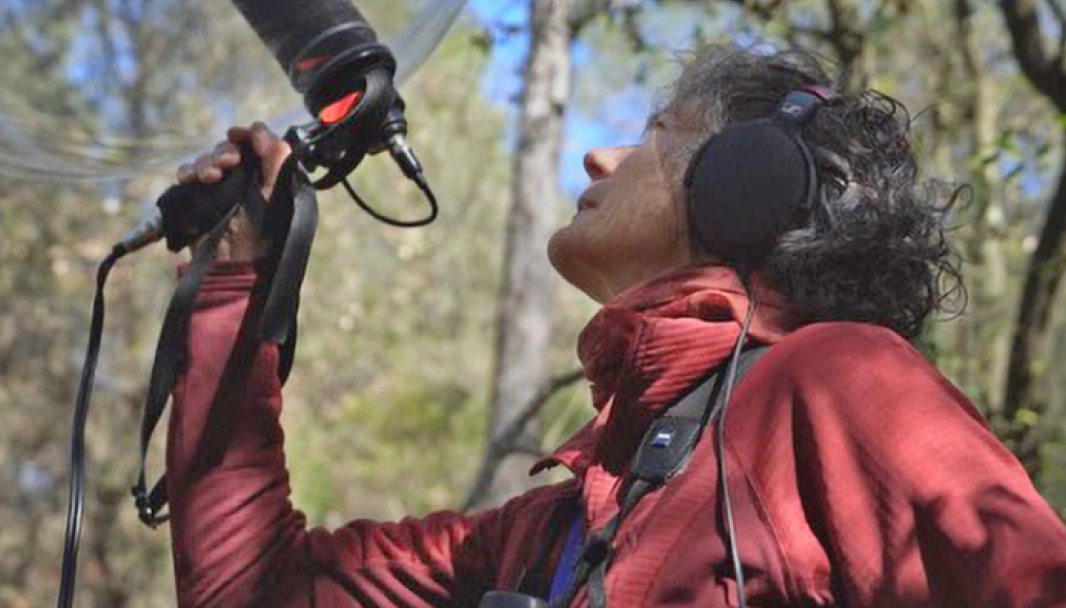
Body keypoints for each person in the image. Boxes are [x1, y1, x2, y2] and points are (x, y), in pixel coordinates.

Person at [166, 45, 1066, 607]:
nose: (600, 156)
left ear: (743, 183)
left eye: (653, 134)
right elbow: (252, 591)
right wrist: (237, 284)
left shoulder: (838, 383)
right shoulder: (548, 532)